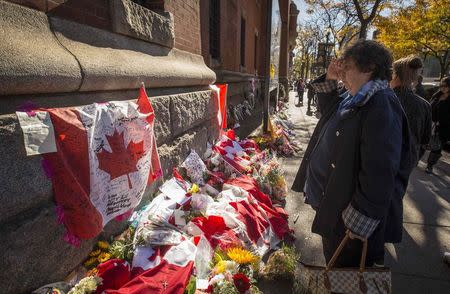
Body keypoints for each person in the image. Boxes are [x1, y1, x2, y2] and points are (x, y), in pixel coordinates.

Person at [291, 40, 414, 268]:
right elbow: (329, 113)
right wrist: (329, 78)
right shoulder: (357, 96)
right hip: (336, 206)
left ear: (368, 68)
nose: (342, 73)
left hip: (349, 223)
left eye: (347, 67)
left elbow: (380, 173)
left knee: (346, 275)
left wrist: (355, 221)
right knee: (336, 270)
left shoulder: (380, 105)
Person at [391, 55, 432, 165]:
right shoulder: (425, 105)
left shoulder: (383, 99)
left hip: (380, 161)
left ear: (394, 75)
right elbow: (425, 140)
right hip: (407, 162)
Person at [426, 76, 450, 173]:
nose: (442, 88)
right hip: (431, 123)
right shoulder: (437, 95)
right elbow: (429, 106)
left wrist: (442, 121)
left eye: (445, 86)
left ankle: (430, 165)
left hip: (443, 127)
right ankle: (416, 159)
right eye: (441, 85)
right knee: (424, 143)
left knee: (437, 147)